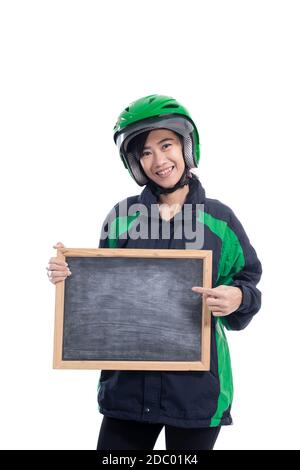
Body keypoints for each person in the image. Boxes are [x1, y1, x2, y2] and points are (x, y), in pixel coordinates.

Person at [46, 94, 262, 450]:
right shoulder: (121, 218)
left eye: (167, 145)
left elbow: (248, 283)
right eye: (146, 152)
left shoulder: (220, 221)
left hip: (196, 394)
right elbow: (101, 293)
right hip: (127, 391)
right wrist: (70, 278)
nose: (159, 160)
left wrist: (237, 297)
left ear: (187, 146)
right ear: (134, 161)